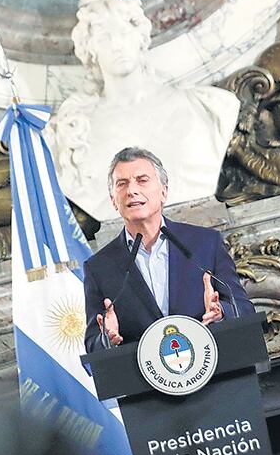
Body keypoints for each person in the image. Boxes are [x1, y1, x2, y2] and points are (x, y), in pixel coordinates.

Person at [48, 0, 240, 222]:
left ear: (140, 37)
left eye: (123, 32)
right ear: (90, 49)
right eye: (105, 38)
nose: (117, 45)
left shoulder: (208, 107)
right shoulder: (71, 133)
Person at [83, 147, 255, 353]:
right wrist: (106, 339)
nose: (132, 190)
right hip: (144, 381)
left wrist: (221, 312)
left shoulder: (205, 243)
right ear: (113, 201)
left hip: (215, 372)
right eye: (122, 184)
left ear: (164, 192)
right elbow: (93, 344)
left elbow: (244, 310)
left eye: (142, 180)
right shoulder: (99, 267)